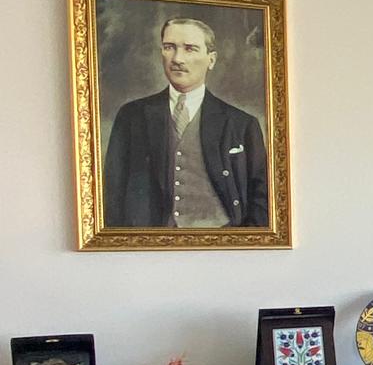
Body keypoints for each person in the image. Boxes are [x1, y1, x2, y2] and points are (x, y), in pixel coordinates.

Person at [103, 17, 269, 228]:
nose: (177, 58)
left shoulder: (241, 124)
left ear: (211, 60)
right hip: (150, 242)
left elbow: (263, 199)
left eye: (190, 49)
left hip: (222, 240)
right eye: (169, 47)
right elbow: (112, 194)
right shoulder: (132, 117)